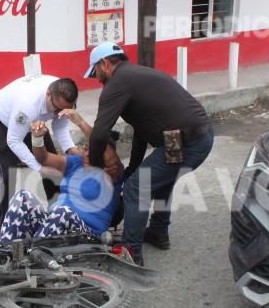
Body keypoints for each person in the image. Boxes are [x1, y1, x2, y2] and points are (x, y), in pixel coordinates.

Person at [80, 42, 214, 265]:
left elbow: (99, 134)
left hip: (188, 141)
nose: (97, 79)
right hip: (190, 135)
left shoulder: (117, 83)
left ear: (104, 64)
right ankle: (159, 232)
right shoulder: (137, 75)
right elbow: (142, 129)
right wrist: (133, 167)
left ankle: (131, 252)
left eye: (96, 73)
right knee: (160, 180)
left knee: (136, 188)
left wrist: (95, 170)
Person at [0, 119, 124, 244]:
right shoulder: (76, 163)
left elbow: (109, 155)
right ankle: (3, 253)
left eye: (93, 152)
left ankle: (30, 252)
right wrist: (37, 138)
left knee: (64, 212)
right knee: (23, 198)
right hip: (53, 223)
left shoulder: (112, 173)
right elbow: (44, 158)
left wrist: (80, 121)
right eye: (86, 149)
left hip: (87, 234)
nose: (86, 154)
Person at [0, 75, 81, 235]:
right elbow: (14, 140)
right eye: (57, 110)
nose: (59, 113)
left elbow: (61, 127)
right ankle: (2, 230)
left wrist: (71, 149)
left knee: (54, 166)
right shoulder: (27, 105)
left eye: (64, 110)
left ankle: (56, 218)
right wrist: (39, 167)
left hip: (34, 124)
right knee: (8, 173)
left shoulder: (64, 97)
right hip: (0, 121)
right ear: (48, 95)